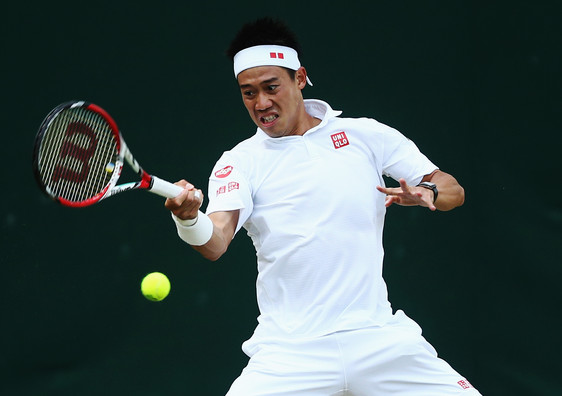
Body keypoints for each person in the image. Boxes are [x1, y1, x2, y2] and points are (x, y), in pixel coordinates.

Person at [165, 17, 480, 396]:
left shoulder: (367, 135)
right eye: (249, 93)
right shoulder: (239, 162)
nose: (261, 103)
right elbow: (214, 242)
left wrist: (429, 190)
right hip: (290, 354)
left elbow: (452, 189)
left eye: (271, 87)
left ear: (300, 78)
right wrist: (187, 218)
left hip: (378, 340)